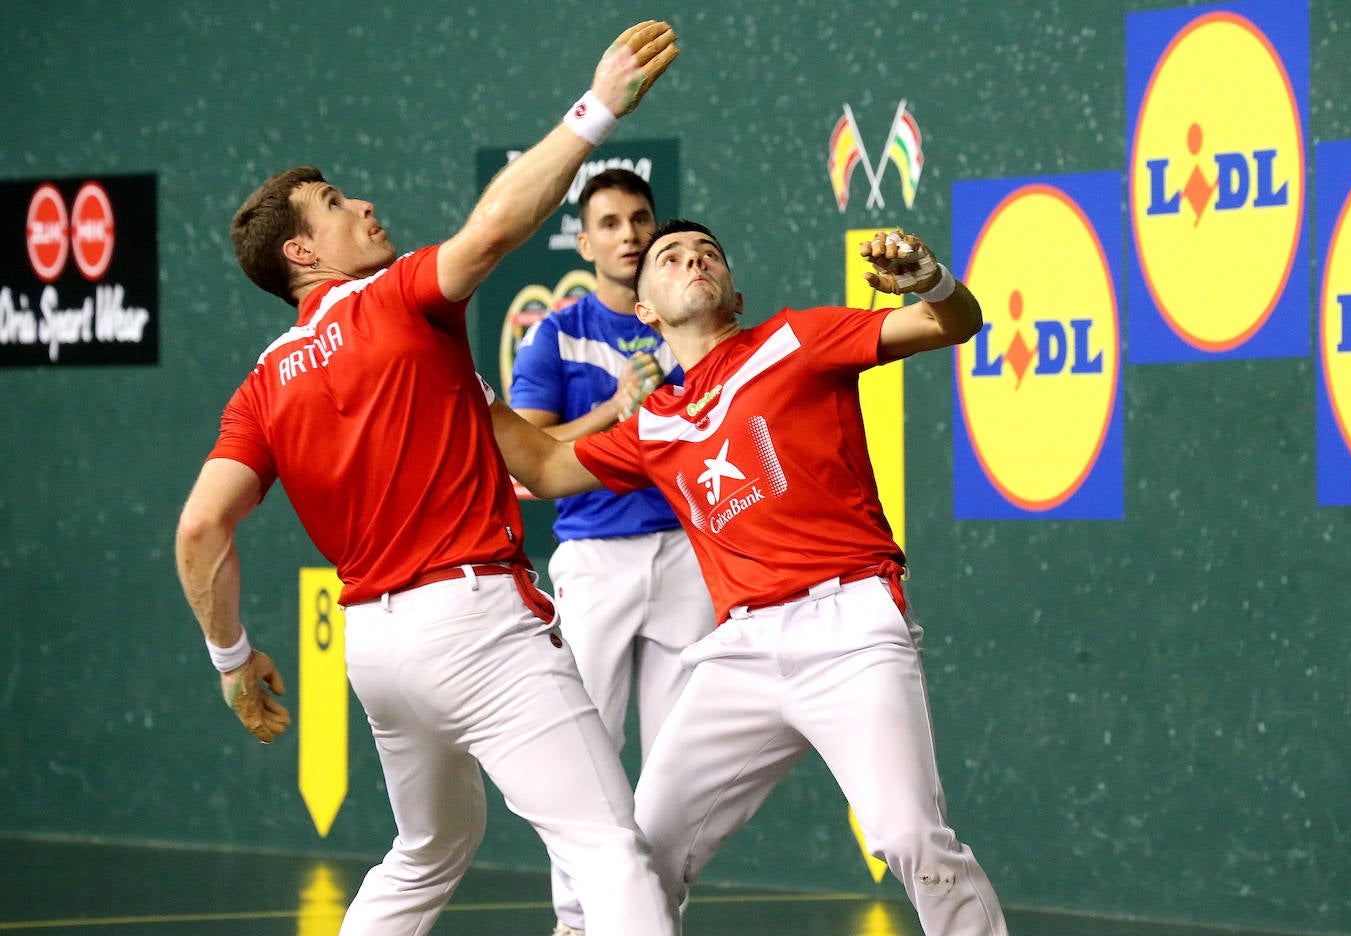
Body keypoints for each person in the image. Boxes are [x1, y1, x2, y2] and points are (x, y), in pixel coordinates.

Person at [173, 22, 681, 936]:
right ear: (301, 253)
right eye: (333, 203)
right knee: (609, 848)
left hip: (377, 650)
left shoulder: (260, 388)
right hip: (475, 627)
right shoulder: (396, 296)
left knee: (430, 849)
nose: (362, 204)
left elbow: (201, 530)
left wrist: (232, 659)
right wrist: (597, 108)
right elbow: (493, 229)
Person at [490, 221, 1010, 935]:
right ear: (644, 311)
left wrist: (930, 279)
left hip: (850, 628)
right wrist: (469, 387)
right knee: (646, 853)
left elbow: (954, 323)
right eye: (669, 258)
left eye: (707, 254)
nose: (692, 261)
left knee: (911, 838)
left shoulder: (794, 341)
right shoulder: (656, 424)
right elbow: (546, 469)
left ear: (734, 291)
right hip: (741, 649)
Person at [507, 169, 717, 936]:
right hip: (595, 557)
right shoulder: (557, 334)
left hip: (687, 558)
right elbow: (527, 453)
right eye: (611, 222)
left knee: (677, 766)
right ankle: (575, 922)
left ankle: (657, 920)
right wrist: (614, 408)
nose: (629, 234)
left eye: (640, 219)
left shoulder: (691, 325)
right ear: (586, 240)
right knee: (584, 757)